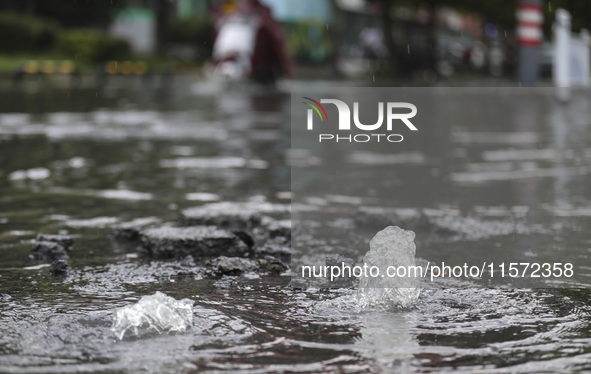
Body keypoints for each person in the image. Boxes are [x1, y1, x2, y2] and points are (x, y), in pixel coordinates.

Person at [212, 0, 293, 84]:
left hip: (258, 71)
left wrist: (286, 68)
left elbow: (276, 40)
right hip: (250, 70)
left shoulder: (261, 14)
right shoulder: (224, 13)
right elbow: (277, 40)